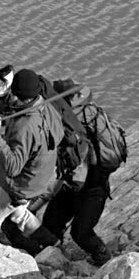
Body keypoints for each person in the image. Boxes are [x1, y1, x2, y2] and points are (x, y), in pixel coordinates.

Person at [0, 68, 65, 243]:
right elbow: (58, 134)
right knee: (19, 214)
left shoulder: (24, 126)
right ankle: (52, 244)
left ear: (16, 96)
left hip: (20, 186)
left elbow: (12, 168)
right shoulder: (44, 105)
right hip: (38, 179)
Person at [41, 78, 112, 266]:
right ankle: (55, 257)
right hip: (85, 183)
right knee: (53, 222)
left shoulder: (70, 124)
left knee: (80, 233)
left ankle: (104, 260)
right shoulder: (93, 115)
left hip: (89, 186)